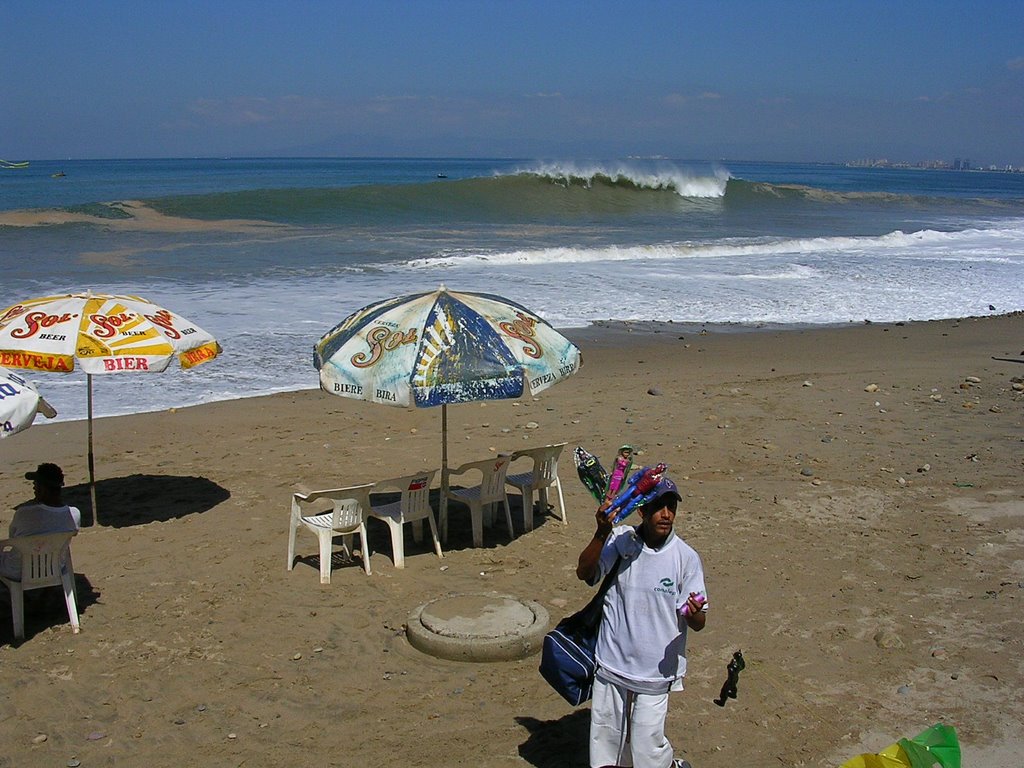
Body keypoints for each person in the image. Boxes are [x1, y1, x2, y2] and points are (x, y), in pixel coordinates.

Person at [576, 471, 707, 768]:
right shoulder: (623, 541)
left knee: (648, 746)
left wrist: (693, 610)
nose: (666, 514)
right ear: (642, 510)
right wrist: (601, 533)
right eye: (659, 506)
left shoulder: (686, 558)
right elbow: (585, 573)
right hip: (612, 663)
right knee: (606, 743)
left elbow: (699, 622)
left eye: (671, 507)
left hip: (656, 673)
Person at [1, 463, 81, 579]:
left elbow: (13, 537)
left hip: (19, 570)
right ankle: (46, 591)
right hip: (55, 568)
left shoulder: (24, 513)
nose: (33, 487)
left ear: (42, 488)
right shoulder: (74, 514)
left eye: (35, 484)